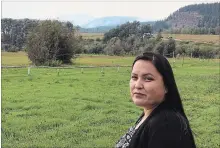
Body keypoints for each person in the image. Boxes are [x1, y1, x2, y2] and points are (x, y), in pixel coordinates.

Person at [115, 52, 196, 148]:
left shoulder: (166, 124)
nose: (137, 85)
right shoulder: (150, 114)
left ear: (166, 86)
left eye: (148, 79)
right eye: (134, 77)